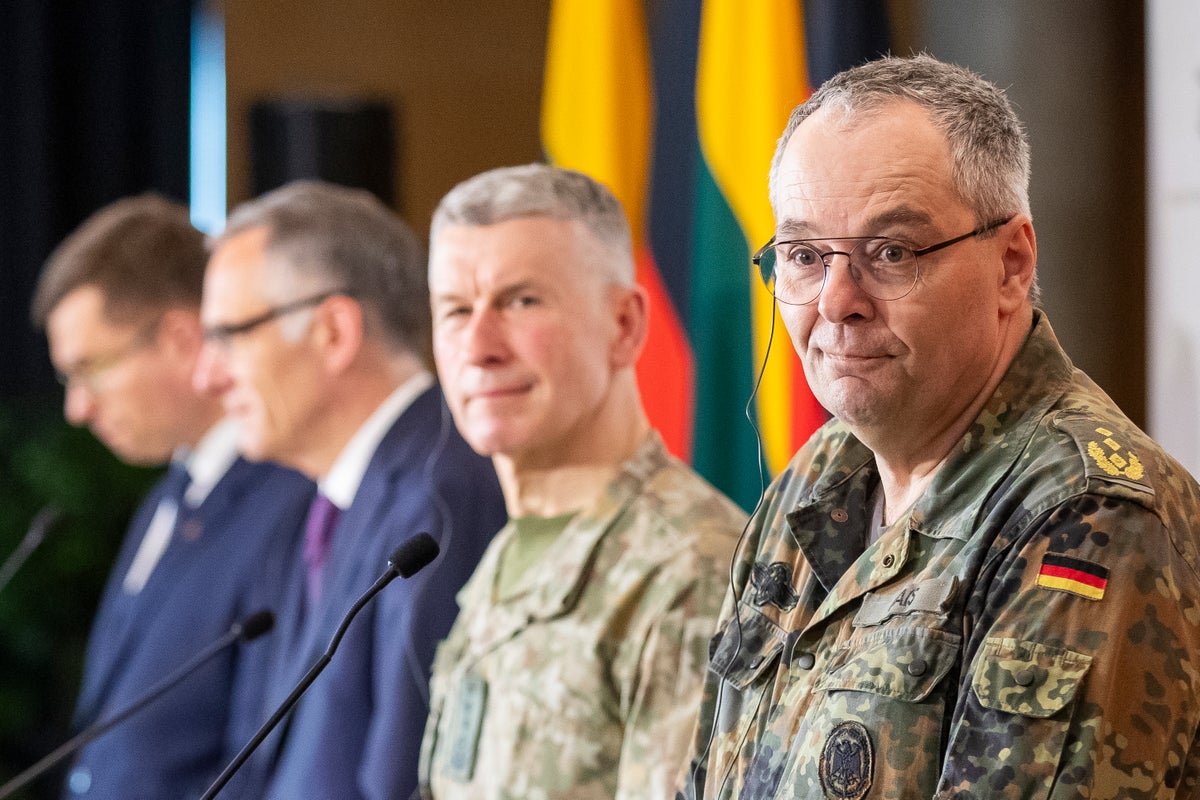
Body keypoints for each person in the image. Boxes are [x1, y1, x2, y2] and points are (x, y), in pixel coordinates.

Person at [678, 53, 1200, 799]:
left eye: (890, 253)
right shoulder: (816, 480)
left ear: (1012, 264)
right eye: (802, 256)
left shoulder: (1090, 515)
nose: (835, 302)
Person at [417, 164, 747, 800]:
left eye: (521, 301)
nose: (479, 346)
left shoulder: (689, 572)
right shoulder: (509, 548)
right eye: (456, 310)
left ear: (624, 326)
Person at [193, 180, 506, 800]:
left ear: (334, 331)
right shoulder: (328, 498)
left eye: (231, 335)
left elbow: (405, 778)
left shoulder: (438, 497)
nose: (208, 375)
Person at [30, 194, 315, 800]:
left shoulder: (291, 500)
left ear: (182, 338)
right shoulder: (170, 496)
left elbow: (260, 759)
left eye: (90, 369)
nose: (77, 409)